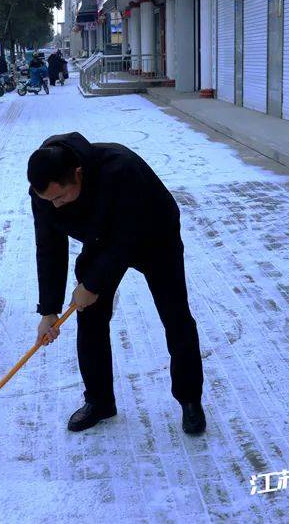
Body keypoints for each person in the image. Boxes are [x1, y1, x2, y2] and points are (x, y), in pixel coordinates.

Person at [27, 132, 206, 435]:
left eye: (60, 197)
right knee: (89, 316)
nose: (54, 206)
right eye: (48, 200)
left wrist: (93, 284)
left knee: (175, 316)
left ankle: (190, 399)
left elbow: (125, 239)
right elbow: (49, 247)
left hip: (153, 234)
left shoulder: (120, 169)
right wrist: (49, 310)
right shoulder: (45, 190)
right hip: (100, 237)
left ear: (78, 175)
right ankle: (99, 401)